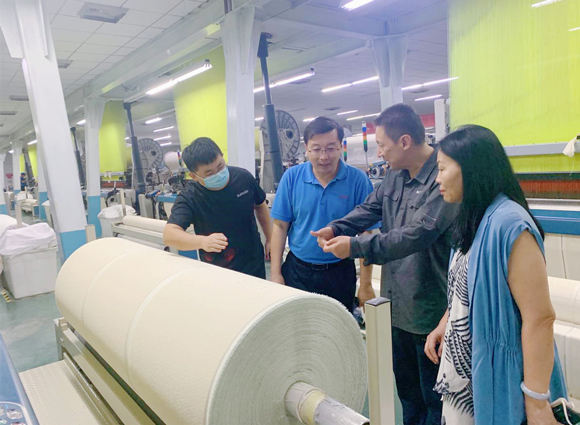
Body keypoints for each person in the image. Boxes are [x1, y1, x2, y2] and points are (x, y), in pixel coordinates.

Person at [312, 104, 459, 425]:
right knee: (408, 394)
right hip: (395, 306)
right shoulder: (394, 174)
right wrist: (337, 228)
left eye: (382, 145)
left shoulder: (442, 179)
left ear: (404, 142)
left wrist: (354, 246)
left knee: (435, 400)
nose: (379, 152)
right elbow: (371, 207)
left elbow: (418, 234)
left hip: (429, 311)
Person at [424, 125, 567, 425]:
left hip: (502, 380)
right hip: (465, 383)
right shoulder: (472, 217)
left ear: (471, 169)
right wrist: (445, 323)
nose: (437, 179)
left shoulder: (510, 225)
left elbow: (539, 318)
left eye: (442, 168)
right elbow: (465, 287)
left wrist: (536, 403)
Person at [269, 116, 375, 312]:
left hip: (340, 272)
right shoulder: (292, 177)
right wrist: (276, 274)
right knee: (296, 325)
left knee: (337, 326)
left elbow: (366, 233)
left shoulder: (358, 180)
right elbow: (280, 226)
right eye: (316, 149)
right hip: (297, 272)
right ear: (307, 148)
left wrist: (366, 284)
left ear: (341, 146)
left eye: (331, 148)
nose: (324, 157)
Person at [164, 137, 271, 279]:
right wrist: (202, 242)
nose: (218, 174)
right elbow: (170, 235)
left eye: (220, 166)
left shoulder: (243, 177)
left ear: (222, 156)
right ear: (194, 176)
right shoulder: (190, 196)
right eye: (209, 173)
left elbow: (260, 205)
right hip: (218, 269)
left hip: (253, 260)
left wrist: (270, 238)